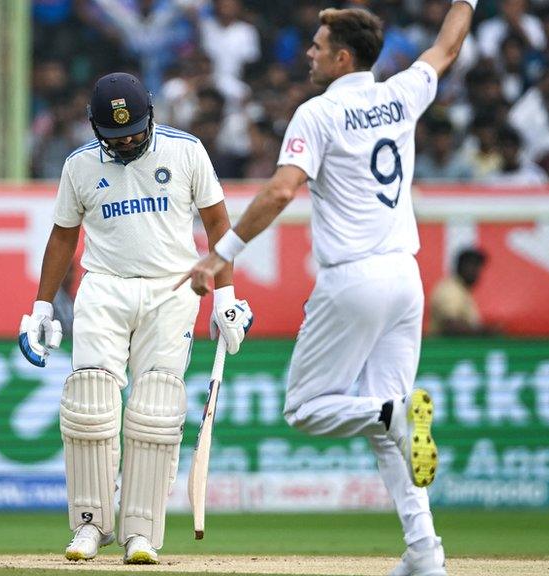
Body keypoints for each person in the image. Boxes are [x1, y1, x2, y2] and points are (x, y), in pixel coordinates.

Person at [180, 3, 479, 575]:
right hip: (405, 277)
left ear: (343, 57)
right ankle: (426, 555)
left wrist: (220, 255)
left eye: (318, 46)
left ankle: (393, 414)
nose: (310, 54)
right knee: (387, 431)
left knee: (307, 408)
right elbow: (446, 48)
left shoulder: (317, 114)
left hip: (353, 279)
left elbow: (279, 191)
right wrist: (465, 2)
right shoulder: (401, 93)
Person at [17, 72, 253, 565]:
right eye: (114, 136)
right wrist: (41, 306)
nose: (126, 142)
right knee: (89, 403)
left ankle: (140, 531)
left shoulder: (186, 151)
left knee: (156, 409)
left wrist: (227, 296)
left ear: (151, 114)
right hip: (103, 286)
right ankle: (89, 526)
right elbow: (63, 236)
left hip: (173, 288)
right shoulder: (80, 165)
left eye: (134, 132)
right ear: (93, 127)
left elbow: (217, 226)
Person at [428, 247, 494, 336]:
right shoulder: (450, 289)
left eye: (478, 267)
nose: (476, 272)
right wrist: (484, 332)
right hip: (447, 348)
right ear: (460, 266)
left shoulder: (462, 290)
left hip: (458, 348)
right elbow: (450, 325)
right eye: (472, 266)